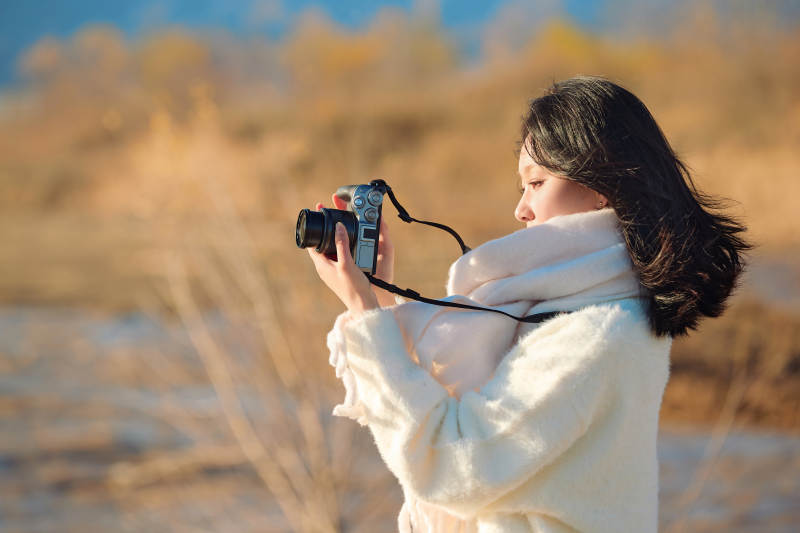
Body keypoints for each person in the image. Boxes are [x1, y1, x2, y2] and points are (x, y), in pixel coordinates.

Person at [307, 76, 751, 532]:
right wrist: (379, 297)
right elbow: (448, 433)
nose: (522, 209)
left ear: (603, 185)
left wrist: (365, 315)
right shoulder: (582, 307)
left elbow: (455, 470)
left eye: (536, 182)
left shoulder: (595, 334)